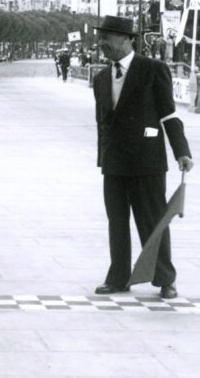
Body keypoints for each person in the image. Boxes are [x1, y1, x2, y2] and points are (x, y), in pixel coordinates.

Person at [93, 15, 194, 299]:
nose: (102, 43)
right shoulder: (101, 78)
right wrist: (104, 159)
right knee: (117, 223)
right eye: (101, 37)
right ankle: (118, 278)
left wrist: (181, 151)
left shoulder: (153, 70)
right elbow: (102, 124)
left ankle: (165, 278)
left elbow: (168, 115)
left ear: (127, 39)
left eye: (107, 37)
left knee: (152, 221)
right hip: (114, 166)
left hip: (147, 163)